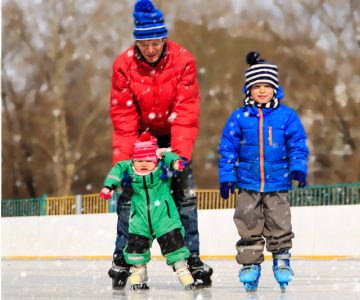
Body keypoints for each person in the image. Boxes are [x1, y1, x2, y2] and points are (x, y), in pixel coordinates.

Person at [107, 0, 212, 289]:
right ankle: (123, 258)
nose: (150, 49)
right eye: (144, 43)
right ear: (136, 42)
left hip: (174, 134)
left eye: (155, 42)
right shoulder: (124, 66)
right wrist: (125, 163)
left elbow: (186, 112)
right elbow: (124, 118)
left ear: (164, 38)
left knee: (185, 196)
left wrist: (178, 157)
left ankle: (191, 258)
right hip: (140, 138)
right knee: (129, 197)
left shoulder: (183, 60)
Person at [218, 52, 309, 292]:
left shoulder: (286, 116)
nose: (261, 90)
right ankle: (250, 264)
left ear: (275, 88)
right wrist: (227, 177)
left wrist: (298, 168)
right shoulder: (239, 117)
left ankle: (281, 258)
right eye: (256, 85)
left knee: (279, 222)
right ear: (248, 88)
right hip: (247, 182)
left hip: (278, 183)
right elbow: (228, 149)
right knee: (248, 223)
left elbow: (298, 144)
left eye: (267, 86)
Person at [100, 132, 194, 289]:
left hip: (164, 217)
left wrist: (175, 162)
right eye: (139, 161)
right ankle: (139, 270)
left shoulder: (161, 172)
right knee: (136, 244)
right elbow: (118, 167)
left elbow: (168, 156)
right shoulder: (130, 170)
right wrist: (109, 186)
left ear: (155, 161)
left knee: (173, 242)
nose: (144, 164)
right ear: (133, 162)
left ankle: (182, 268)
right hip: (140, 218)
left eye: (148, 161)